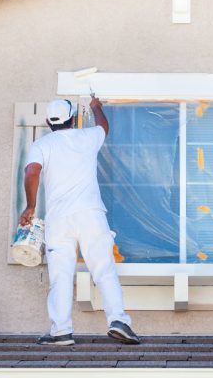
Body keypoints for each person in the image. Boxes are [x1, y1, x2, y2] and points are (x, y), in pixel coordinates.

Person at [19, 96, 140, 346]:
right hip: (90, 216)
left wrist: (30, 206)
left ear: (47, 123)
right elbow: (104, 127)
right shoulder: (87, 137)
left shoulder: (41, 145)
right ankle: (119, 321)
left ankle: (61, 331)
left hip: (59, 220)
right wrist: (96, 107)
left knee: (60, 275)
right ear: (73, 119)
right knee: (104, 269)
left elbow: (32, 171)